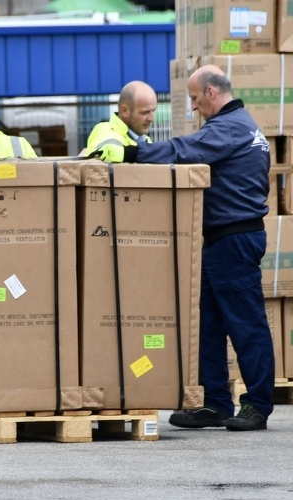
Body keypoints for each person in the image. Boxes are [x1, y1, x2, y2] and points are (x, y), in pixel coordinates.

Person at [98, 65, 275, 431]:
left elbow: (186, 150)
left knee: (246, 325)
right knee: (207, 325)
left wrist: (135, 156)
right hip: (221, 239)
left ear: (211, 92)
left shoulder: (230, 127)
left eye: (194, 98)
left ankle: (257, 405)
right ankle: (215, 403)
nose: (193, 107)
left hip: (234, 239)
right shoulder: (239, 125)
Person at [82, 80, 157, 156]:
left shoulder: (143, 139)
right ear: (124, 111)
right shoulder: (108, 138)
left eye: (153, 111)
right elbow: (99, 159)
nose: (151, 118)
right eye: (144, 112)